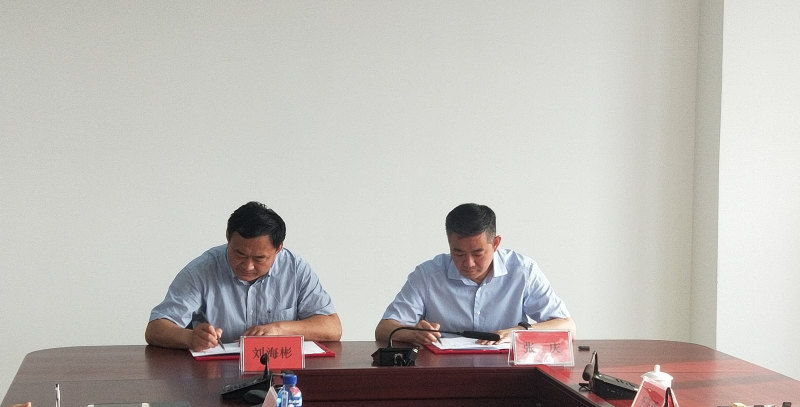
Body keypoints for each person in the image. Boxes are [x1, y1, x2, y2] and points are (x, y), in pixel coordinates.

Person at [146, 201, 341, 351]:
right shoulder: (201, 271)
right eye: (239, 254)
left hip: (280, 373)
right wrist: (190, 338)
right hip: (215, 375)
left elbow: (332, 328)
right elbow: (155, 329)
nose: (248, 266)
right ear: (228, 237)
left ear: (278, 248)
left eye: (259, 258)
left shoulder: (295, 269)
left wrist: (279, 329)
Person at [375, 203, 575, 345]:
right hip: (445, 372)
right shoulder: (428, 275)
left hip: (508, 372)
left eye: (478, 253)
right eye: (458, 253)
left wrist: (519, 332)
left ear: (495, 243)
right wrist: (412, 334)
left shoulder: (522, 271)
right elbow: (383, 329)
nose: (468, 263)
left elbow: (568, 327)